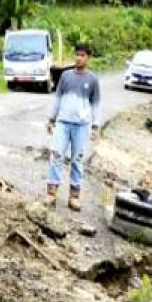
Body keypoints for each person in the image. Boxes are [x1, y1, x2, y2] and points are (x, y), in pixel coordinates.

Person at [46, 43, 101, 211]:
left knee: (77, 160)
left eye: (82, 55)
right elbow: (57, 98)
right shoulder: (65, 76)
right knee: (56, 155)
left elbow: (96, 104)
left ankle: (75, 195)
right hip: (63, 122)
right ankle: (51, 192)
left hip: (81, 126)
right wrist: (51, 118)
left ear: (88, 58)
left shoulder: (92, 80)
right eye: (77, 54)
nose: (79, 58)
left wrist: (95, 126)